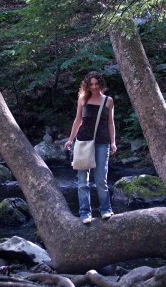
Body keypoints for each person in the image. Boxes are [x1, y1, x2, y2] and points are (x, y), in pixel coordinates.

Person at [64, 71, 117, 224]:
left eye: (97, 83)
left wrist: (113, 142)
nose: (94, 87)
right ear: (87, 85)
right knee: (82, 181)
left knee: (101, 179)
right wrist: (70, 139)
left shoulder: (108, 101)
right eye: (91, 84)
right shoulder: (82, 99)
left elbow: (110, 123)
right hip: (83, 142)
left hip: (102, 143)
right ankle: (84, 213)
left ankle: (105, 210)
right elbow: (77, 120)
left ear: (101, 84)